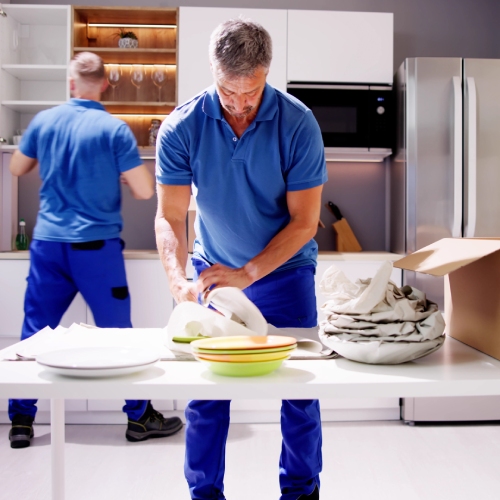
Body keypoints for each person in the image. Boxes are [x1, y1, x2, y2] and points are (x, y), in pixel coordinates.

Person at [155, 19, 327, 500]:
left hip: (285, 273)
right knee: (207, 393)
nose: (239, 105)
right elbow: (169, 217)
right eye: (228, 93)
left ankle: (301, 491)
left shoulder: (298, 124)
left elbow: (304, 222)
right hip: (213, 274)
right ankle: (204, 493)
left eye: (250, 93)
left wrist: (251, 271)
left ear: (267, 73)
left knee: (299, 392)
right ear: (213, 73)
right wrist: (178, 281)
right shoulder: (182, 126)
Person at [8, 52, 183, 449]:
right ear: (104, 84)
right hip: (96, 251)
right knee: (120, 335)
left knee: (34, 333)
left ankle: (21, 421)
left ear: (71, 84)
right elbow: (143, 189)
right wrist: (113, 176)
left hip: (49, 245)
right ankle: (139, 418)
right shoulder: (114, 129)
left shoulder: (45, 122)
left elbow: (17, 168)